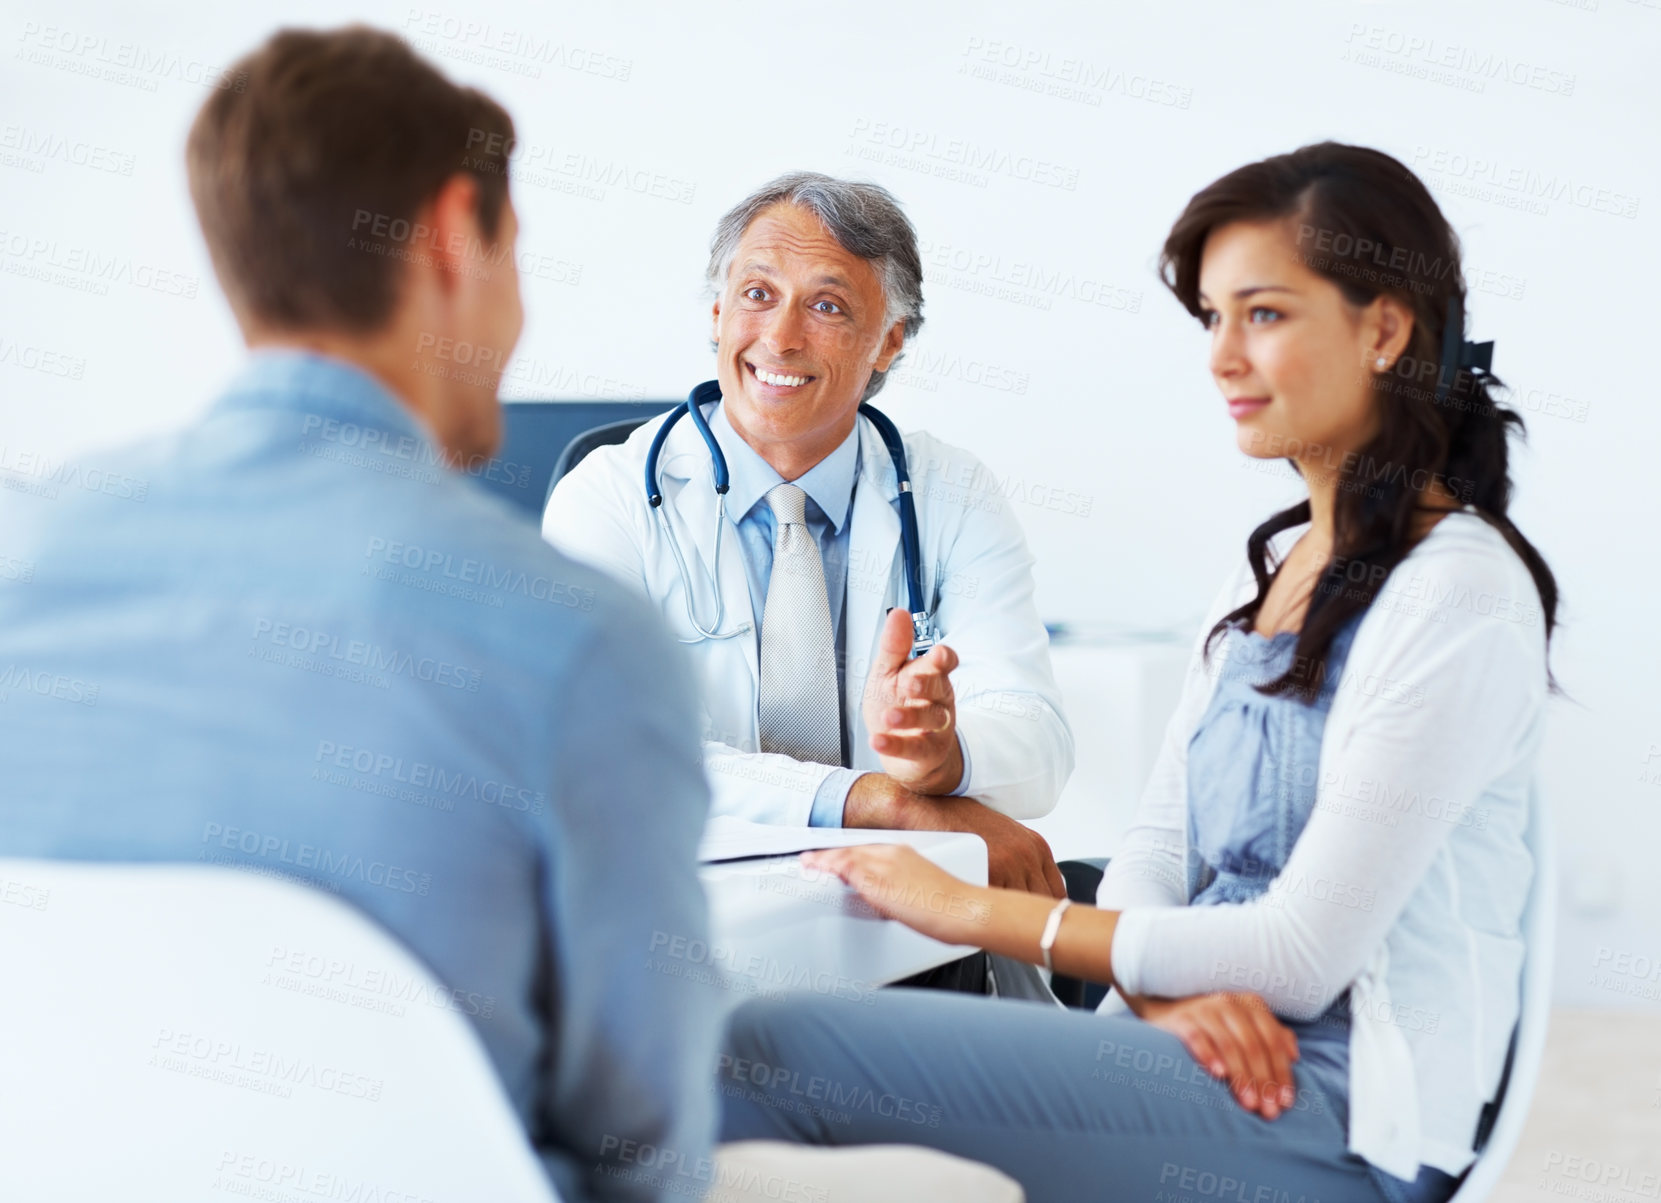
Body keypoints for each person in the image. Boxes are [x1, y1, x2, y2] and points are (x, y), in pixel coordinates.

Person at [717, 142, 1560, 1203]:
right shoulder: (1260, 573)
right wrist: (1158, 998)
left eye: (1261, 314)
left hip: (1339, 1107)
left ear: (1382, 329)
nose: (1219, 358)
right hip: (1196, 1042)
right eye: (1211, 319)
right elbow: (1157, 853)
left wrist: (969, 911)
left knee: (762, 1048)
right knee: (745, 1051)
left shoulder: (1459, 593)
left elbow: (1296, 957)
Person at [0, 28, 721, 1203]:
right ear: (448, 235)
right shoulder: (576, 641)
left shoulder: (21, 559)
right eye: (514, 254)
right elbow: (646, 1154)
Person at [543, 172, 1073, 905]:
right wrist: (886, 801)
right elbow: (625, 752)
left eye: (826, 305)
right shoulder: (606, 499)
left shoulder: (950, 491)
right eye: (758, 294)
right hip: (694, 918)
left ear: (887, 341)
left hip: (913, 931)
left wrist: (941, 756)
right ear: (718, 310)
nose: (781, 338)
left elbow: (1038, 739)